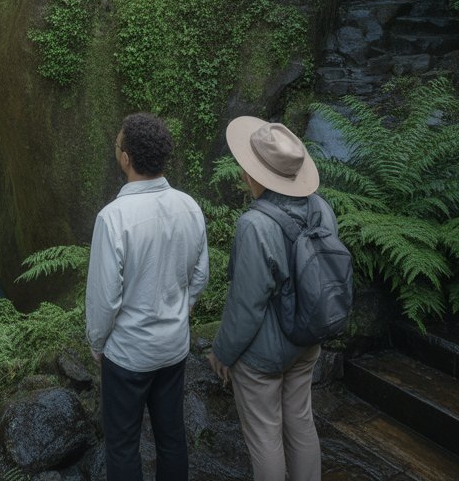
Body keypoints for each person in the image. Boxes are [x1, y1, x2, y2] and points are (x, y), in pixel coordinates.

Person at [208, 116, 339, 481]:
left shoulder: (255, 225)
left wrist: (222, 352)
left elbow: (246, 305)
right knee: (300, 422)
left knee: (265, 435)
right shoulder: (320, 208)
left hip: (263, 357)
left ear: (256, 175)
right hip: (307, 339)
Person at [86, 112, 210, 481]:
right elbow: (200, 277)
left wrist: (97, 343)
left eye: (117, 144)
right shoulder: (190, 207)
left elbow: (104, 299)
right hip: (173, 348)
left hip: (128, 354)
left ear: (126, 157)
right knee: (172, 437)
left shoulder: (113, 218)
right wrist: (180, 311)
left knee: (122, 444)